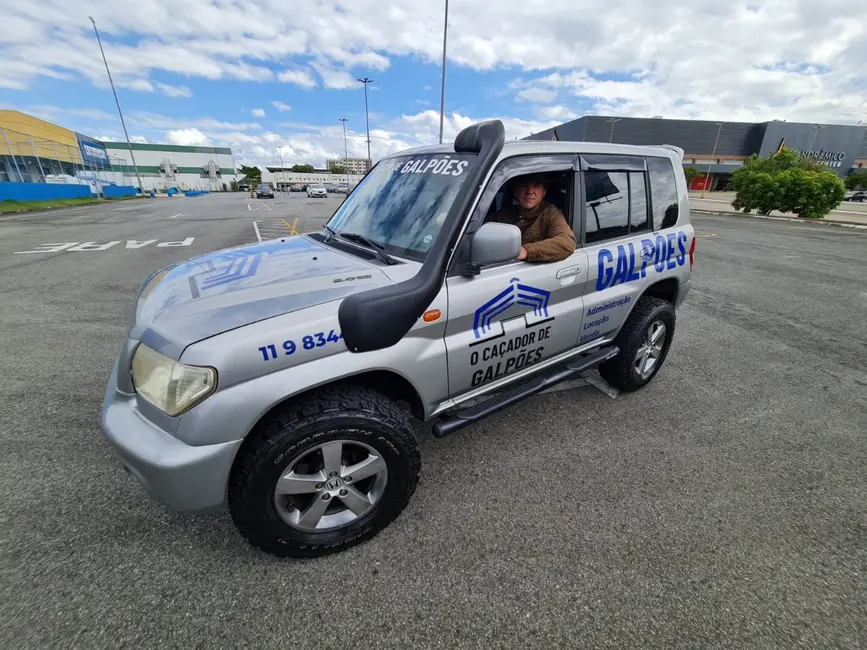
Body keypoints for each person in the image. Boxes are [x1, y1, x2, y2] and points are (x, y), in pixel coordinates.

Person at [489, 174, 576, 263]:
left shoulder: (550, 214)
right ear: (515, 191)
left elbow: (566, 243)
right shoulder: (505, 213)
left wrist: (526, 251)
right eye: (523, 186)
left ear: (544, 192)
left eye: (536, 186)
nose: (529, 191)